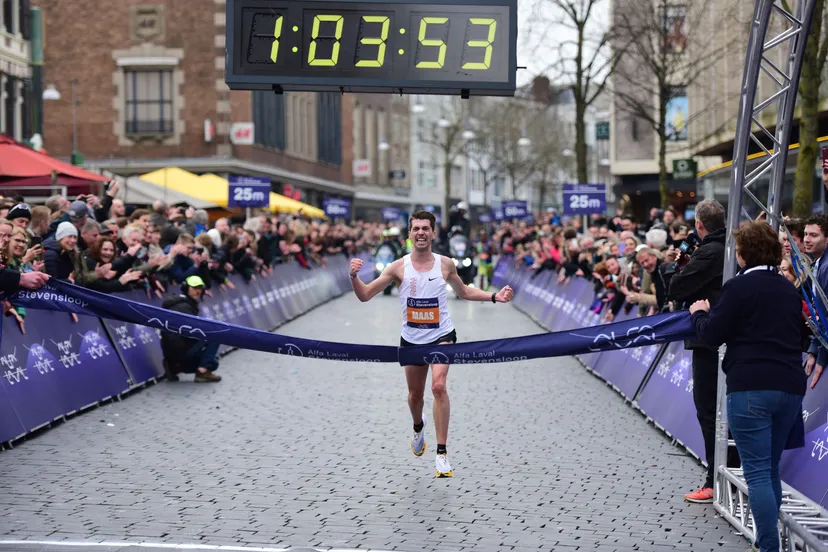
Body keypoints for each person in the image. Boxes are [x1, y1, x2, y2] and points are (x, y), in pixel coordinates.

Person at [348, 210, 514, 478]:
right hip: (412, 339)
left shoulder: (445, 264)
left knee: (438, 387)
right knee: (415, 397)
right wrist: (354, 277)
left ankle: (441, 454)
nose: (421, 232)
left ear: (434, 233)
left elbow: (464, 292)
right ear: (410, 234)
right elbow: (366, 295)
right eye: (416, 229)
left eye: (426, 228)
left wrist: (495, 297)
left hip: (442, 335)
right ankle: (417, 427)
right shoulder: (398, 267)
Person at [689, 220, 806, 552]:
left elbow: (712, 334)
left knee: (755, 473)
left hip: (751, 385)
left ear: (742, 253)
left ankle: (769, 546)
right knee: (769, 469)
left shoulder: (738, 287)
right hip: (789, 386)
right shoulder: (787, 288)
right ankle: (766, 538)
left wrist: (700, 314)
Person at [666, 198, 740, 503]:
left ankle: (716, 480)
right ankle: (728, 475)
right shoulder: (732, 247)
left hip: (710, 337)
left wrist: (676, 264)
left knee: (708, 409)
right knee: (728, 410)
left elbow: (675, 287)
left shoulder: (711, 251)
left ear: (699, 224)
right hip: (733, 336)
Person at [160, 275, 221, 383]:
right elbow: (191, 331)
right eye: (195, 288)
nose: (198, 291)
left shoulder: (185, 303)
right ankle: (201, 372)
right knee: (215, 335)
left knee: (213, 363)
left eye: (200, 288)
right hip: (179, 348)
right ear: (186, 288)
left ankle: (175, 367)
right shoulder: (183, 306)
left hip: (175, 349)